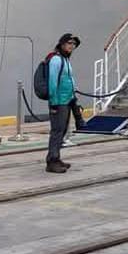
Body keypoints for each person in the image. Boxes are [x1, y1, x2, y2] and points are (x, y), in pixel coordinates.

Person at [45, 33, 80, 173]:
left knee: (62, 131)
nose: (72, 46)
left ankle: (56, 157)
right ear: (62, 44)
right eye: (69, 43)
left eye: (73, 44)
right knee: (57, 131)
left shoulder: (65, 59)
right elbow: (52, 82)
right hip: (58, 102)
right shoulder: (56, 60)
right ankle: (51, 162)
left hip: (67, 101)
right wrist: (53, 101)